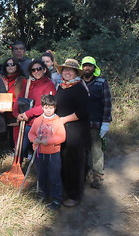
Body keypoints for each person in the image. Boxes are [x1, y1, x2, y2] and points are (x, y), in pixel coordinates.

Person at [55, 59, 90, 207]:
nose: (67, 72)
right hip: (62, 130)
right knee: (64, 161)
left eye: (71, 70)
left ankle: (75, 195)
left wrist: (63, 120)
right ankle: (66, 190)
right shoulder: (62, 87)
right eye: (65, 70)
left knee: (74, 163)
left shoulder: (79, 88)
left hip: (76, 132)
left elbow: (83, 111)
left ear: (76, 73)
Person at [28, 95, 66, 211]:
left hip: (53, 154)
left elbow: (62, 137)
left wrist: (48, 141)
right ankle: (43, 194)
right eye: (46, 107)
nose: (48, 110)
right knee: (41, 175)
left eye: (51, 107)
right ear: (42, 107)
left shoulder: (57, 121)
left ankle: (56, 199)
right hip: (40, 153)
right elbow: (31, 133)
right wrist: (34, 140)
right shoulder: (38, 120)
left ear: (55, 108)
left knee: (54, 177)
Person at [81, 56, 112, 189]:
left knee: (96, 149)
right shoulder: (78, 82)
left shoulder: (101, 82)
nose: (87, 68)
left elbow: (107, 103)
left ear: (94, 68)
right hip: (80, 123)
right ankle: (83, 174)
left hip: (96, 122)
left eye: (90, 65)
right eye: (85, 66)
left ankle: (97, 176)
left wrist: (106, 122)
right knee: (82, 150)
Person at [16, 60, 56, 159]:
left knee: (39, 153)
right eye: (33, 70)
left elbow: (47, 105)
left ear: (45, 70)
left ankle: (39, 172)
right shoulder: (28, 84)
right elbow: (19, 100)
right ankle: (16, 170)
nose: (36, 72)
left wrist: (28, 114)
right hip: (26, 123)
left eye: (39, 69)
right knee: (20, 149)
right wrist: (16, 114)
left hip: (41, 124)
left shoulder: (49, 85)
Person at [0, 57, 27, 148]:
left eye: (12, 64)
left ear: (17, 66)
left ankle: (18, 153)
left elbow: (24, 97)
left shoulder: (22, 80)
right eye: (8, 65)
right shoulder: (0, 79)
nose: (10, 66)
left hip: (16, 111)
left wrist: (12, 103)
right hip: (2, 112)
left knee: (17, 136)